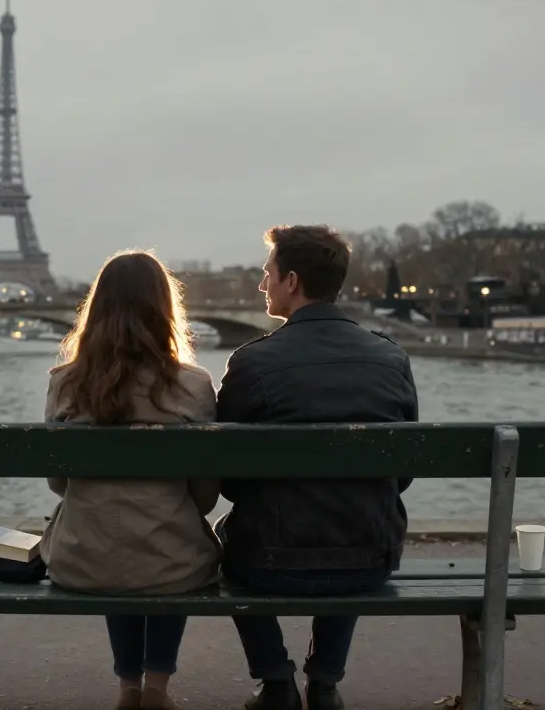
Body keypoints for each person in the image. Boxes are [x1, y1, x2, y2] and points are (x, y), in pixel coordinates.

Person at [215, 225, 420, 710]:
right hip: (371, 558)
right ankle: (325, 681)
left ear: (290, 281)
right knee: (355, 509)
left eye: (266, 274)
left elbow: (227, 477)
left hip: (268, 561)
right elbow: (403, 472)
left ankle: (274, 679)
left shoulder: (251, 363)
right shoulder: (392, 359)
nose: (261, 285)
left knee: (225, 537)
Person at [40, 250, 221, 710]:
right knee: (166, 544)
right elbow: (205, 494)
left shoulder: (64, 383)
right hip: (171, 563)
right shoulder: (194, 385)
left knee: (106, 532)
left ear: (95, 309)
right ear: (165, 309)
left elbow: (58, 483)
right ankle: (156, 688)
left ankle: (128, 688)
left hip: (82, 561)